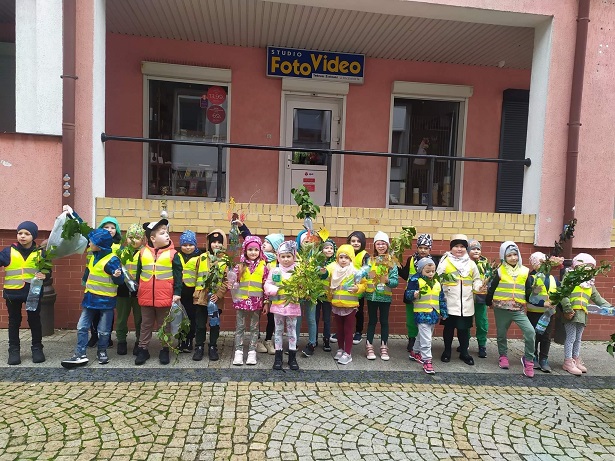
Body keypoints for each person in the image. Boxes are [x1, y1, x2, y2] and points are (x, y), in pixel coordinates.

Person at [61, 229, 124, 368]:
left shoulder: (112, 260)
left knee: (104, 330)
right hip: (90, 299)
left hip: (106, 301)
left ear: (99, 245)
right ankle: (80, 354)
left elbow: (120, 281)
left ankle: (102, 351)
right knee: (82, 326)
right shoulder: (93, 256)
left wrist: (117, 276)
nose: (89, 244)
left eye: (91, 242)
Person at [134, 219, 182, 366]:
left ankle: (164, 349)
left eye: (167, 232)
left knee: (164, 325)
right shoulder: (143, 253)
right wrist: (137, 288)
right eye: (162, 233)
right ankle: (143, 349)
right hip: (146, 296)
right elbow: (138, 273)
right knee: (145, 324)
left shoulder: (173, 254)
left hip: (165, 297)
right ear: (153, 238)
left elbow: (178, 275)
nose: (167, 235)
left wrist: (177, 292)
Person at [0, 221, 48, 365]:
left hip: (33, 293)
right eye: (20, 233)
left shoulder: (40, 253)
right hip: (12, 293)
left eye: (27, 234)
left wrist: (45, 276)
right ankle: (14, 350)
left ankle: (37, 348)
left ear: (33, 236)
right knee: (14, 321)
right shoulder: (8, 252)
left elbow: (47, 271)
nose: (22, 236)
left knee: (34, 320)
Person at [485, 241, 535, 378]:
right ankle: (503, 355)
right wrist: (488, 302)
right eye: (509, 255)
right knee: (501, 333)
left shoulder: (525, 271)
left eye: (515, 254)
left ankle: (528, 360)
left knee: (530, 332)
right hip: (501, 308)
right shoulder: (499, 271)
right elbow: (492, 288)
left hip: (518, 309)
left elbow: (528, 290)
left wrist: (533, 298)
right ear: (504, 257)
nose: (513, 258)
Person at [559, 253, 611, 375]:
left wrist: (610, 308)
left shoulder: (590, 284)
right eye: (585, 267)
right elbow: (563, 294)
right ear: (577, 266)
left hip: (582, 314)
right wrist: (567, 309)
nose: (588, 270)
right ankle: (568, 361)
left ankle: (575, 358)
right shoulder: (570, 279)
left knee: (578, 339)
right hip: (571, 314)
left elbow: (598, 299)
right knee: (571, 338)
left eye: (590, 268)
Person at [436, 234, 482, 366]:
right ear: (451, 248)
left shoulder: (471, 264)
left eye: (462, 246)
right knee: (449, 328)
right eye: (456, 246)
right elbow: (438, 280)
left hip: (466, 304)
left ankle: (464, 352)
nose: (459, 249)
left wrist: (478, 287)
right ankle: (447, 351)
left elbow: (476, 279)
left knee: (464, 330)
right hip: (450, 302)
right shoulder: (445, 262)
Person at [320, 244, 367, 365]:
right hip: (336, 304)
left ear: (351, 259)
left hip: (350, 305)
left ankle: (348, 353)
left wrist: (357, 288)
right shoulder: (333, 270)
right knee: (339, 330)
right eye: (341, 257)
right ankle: (340, 349)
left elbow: (364, 284)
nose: (343, 260)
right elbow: (326, 278)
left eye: (346, 257)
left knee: (348, 330)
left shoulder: (355, 272)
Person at [405, 257, 447, 374]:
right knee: (426, 339)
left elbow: (441, 298)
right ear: (420, 270)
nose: (431, 274)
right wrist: (414, 294)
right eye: (427, 271)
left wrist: (443, 312)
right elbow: (408, 294)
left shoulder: (437, 282)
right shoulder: (415, 280)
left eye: (433, 271)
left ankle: (415, 352)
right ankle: (427, 360)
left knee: (422, 335)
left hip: (433, 314)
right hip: (421, 314)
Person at [264, 241, 301, 370]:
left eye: (288, 256)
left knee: (292, 331)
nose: (286, 259)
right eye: (283, 256)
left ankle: (292, 358)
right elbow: (267, 284)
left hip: (292, 306)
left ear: (293, 256)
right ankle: (278, 358)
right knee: (278, 331)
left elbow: (303, 286)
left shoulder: (298, 271)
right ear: (278, 257)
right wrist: (274, 289)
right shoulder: (275, 270)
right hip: (278, 306)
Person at [192, 229, 229, 361]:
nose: (216, 245)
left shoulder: (225, 261)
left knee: (214, 324)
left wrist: (218, 294)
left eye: (219, 242)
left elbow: (227, 281)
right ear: (209, 243)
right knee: (200, 324)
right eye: (214, 242)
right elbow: (195, 276)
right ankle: (199, 346)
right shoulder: (201, 258)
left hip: (215, 299)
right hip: (201, 298)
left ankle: (213, 346)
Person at [232, 236, 269, 366]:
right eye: (250, 249)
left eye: (256, 250)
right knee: (240, 327)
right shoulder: (239, 267)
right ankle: (238, 352)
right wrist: (232, 283)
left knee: (254, 328)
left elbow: (266, 286)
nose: (253, 252)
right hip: (241, 302)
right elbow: (233, 283)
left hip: (256, 303)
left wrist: (266, 302)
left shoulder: (264, 267)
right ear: (245, 251)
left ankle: (252, 352)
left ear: (260, 251)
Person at [88, 216, 121, 348]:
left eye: (113, 227)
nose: (109, 230)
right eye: (106, 227)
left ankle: (106, 337)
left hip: (109, 286)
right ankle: (94, 335)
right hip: (94, 285)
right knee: (93, 313)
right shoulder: (94, 244)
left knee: (107, 313)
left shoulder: (119, 247)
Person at [365, 231, 399, 361]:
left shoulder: (392, 261)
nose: (381, 246)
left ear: (387, 245)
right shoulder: (370, 260)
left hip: (385, 297)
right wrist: (370, 276)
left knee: (384, 321)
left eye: (383, 243)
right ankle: (369, 346)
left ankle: (384, 347)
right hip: (372, 296)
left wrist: (388, 280)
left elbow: (395, 281)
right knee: (372, 321)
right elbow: (364, 275)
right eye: (378, 243)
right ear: (374, 245)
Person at [398, 233, 433, 353]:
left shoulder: (433, 262)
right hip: (411, 294)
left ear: (430, 249)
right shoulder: (411, 259)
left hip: (425, 296)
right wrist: (397, 265)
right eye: (420, 247)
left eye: (426, 248)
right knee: (411, 320)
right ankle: (412, 339)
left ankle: (422, 341)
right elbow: (405, 275)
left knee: (423, 320)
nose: (423, 250)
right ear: (417, 247)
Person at [527, 251, 560, 372]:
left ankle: (544, 359)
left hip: (549, 314)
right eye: (539, 263)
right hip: (534, 312)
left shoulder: (553, 278)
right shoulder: (531, 278)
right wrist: (542, 303)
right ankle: (533, 356)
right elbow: (529, 296)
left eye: (543, 262)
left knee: (546, 337)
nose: (542, 265)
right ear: (534, 264)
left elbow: (559, 293)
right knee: (534, 335)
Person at [115, 223, 144, 356]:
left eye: (137, 237)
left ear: (142, 239)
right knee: (121, 318)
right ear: (126, 238)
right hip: (122, 290)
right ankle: (121, 341)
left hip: (139, 292)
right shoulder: (121, 252)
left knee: (140, 319)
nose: (133, 240)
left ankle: (139, 341)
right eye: (130, 237)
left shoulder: (145, 253)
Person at [260, 233, 284, 355]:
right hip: (258, 293)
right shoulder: (259, 258)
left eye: (268, 242)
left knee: (272, 318)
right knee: (257, 317)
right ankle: (257, 340)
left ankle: (268, 340)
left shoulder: (278, 261)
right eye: (264, 241)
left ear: (275, 247)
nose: (264, 244)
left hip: (272, 294)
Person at [177, 230, 201, 353]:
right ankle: (181, 340)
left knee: (191, 317)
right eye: (184, 245)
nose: (187, 247)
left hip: (193, 293)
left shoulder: (200, 257)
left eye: (190, 245)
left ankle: (190, 339)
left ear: (195, 245)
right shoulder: (176, 256)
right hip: (180, 292)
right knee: (180, 317)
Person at [347, 231, 369, 345]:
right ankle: (345, 331)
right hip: (346, 287)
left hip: (358, 287)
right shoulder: (346, 252)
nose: (355, 243)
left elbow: (367, 269)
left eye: (358, 241)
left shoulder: (365, 255)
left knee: (358, 311)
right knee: (345, 310)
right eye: (353, 241)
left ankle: (358, 331)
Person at [468, 239, 489, 358]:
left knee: (481, 322)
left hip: (481, 298)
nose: (476, 251)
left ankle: (482, 345)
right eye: (473, 249)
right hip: (467, 297)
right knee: (466, 322)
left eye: (478, 249)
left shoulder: (485, 264)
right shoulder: (464, 263)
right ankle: (465, 343)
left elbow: (489, 280)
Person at [315, 239, 336, 352]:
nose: (329, 250)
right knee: (315, 318)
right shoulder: (317, 262)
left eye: (331, 248)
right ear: (321, 250)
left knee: (327, 319)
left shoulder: (335, 263)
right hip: (316, 295)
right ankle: (314, 339)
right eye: (326, 248)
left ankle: (326, 339)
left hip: (328, 295)